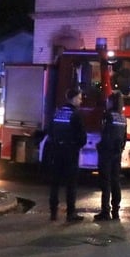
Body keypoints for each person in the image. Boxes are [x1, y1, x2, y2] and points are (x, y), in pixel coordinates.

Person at [47, 87, 87, 222]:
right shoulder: (76, 115)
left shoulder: (58, 113)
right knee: (71, 184)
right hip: (70, 153)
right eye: (80, 98)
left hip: (56, 151)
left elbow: (50, 131)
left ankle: (53, 213)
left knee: (55, 183)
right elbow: (82, 137)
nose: (81, 101)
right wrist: (76, 146)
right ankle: (71, 213)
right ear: (74, 98)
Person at [94, 90, 126, 221]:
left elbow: (105, 134)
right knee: (116, 181)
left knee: (105, 182)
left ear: (111, 102)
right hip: (117, 153)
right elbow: (125, 138)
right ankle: (116, 210)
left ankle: (105, 211)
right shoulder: (122, 118)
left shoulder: (108, 116)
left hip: (106, 153)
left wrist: (100, 147)